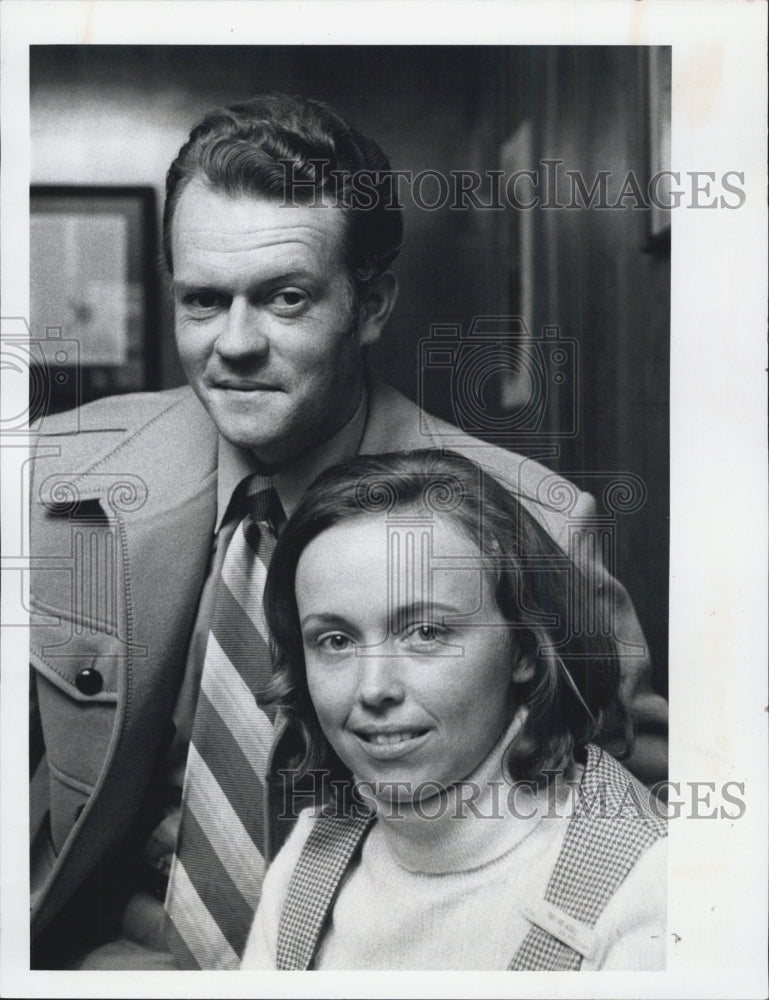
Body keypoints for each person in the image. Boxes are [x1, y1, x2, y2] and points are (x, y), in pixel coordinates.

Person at [29, 94, 667, 969]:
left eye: (285, 298)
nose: (236, 343)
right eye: (203, 301)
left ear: (371, 306)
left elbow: (635, 820)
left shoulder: (534, 524)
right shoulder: (54, 483)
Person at [242, 449, 667, 971]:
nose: (373, 689)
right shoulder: (311, 853)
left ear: (524, 649)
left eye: (426, 632)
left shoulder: (648, 886)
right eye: (335, 640)